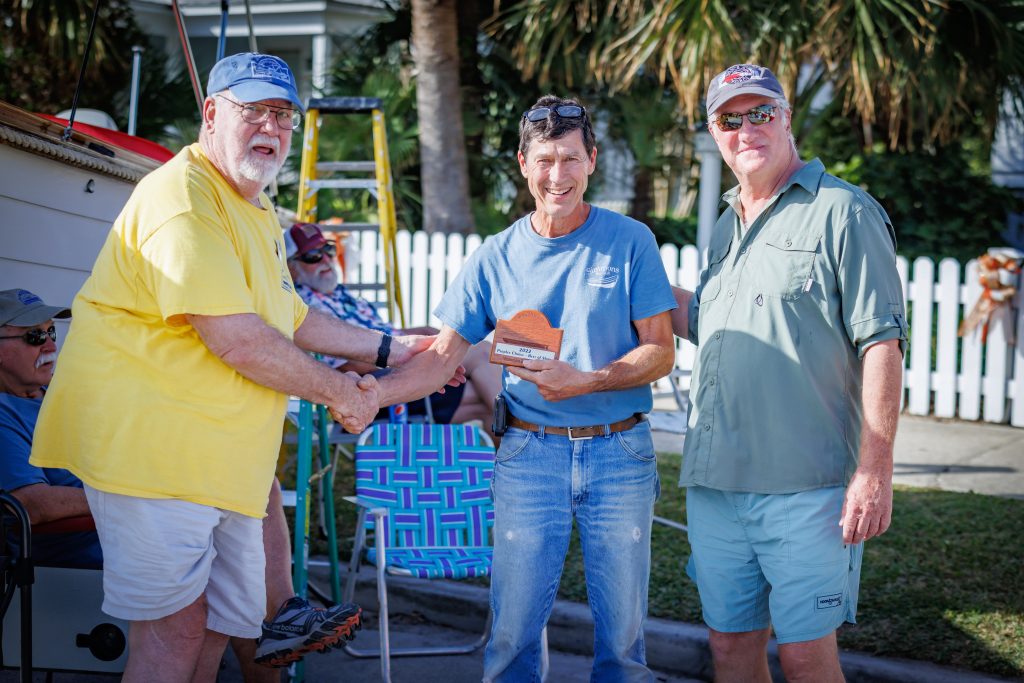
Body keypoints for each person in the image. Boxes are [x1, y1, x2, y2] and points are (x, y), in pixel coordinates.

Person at [27, 53, 441, 683]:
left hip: (221, 463)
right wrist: (344, 392)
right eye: (254, 110)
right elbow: (240, 342)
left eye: (283, 115)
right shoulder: (181, 198)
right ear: (212, 113)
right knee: (174, 632)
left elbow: (290, 316)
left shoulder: (254, 206)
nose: (270, 127)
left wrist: (391, 349)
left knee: (217, 632)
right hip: (154, 457)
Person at [369, 95, 678, 681]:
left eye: (570, 159)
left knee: (623, 640)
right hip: (529, 454)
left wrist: (587, 381)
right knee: (511, 635)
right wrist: (367, 395)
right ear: (523, 163)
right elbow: (441, 358)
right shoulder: (495, 256)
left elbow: (660, 350)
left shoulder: (630, 240)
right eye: (545, 160)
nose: (557, 175)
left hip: (620, 452)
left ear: (591, 161)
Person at [670, 64, 907, 683]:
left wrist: (875, 470)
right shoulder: (727, 222)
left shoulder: (844, 211)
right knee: (729, 647)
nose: (746, 128)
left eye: (760, 113)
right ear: (714, 132)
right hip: (717, 482)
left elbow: (882, 343)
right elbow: (712, 322)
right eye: (729, 118)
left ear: (786, 117)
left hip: (808, 487)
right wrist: (628, 279)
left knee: (805, 658)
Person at [0, 289, 360, 680]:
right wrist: (138, 492)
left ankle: (282, 613)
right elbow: (31, 505)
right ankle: (282, 616)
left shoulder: (63, 392)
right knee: (227, 571)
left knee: (250, 485)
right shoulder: (5, 413)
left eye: (52, 332)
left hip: (141, 524)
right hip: (94, 546)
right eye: (34, 336)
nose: (50, 344)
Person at [284, 222, 502, 430]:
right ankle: (520, 439)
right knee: (484, 358)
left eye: (328, 250)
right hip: (383, 384)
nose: (325, 260)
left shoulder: (338, 293)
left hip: (399, 366)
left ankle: (511, 448)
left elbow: (387, 334)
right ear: (291, 268)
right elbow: (347, 366)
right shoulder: (305, 305)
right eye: (313, 256)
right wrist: (413, 357)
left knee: (489, 401)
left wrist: (427, 338)